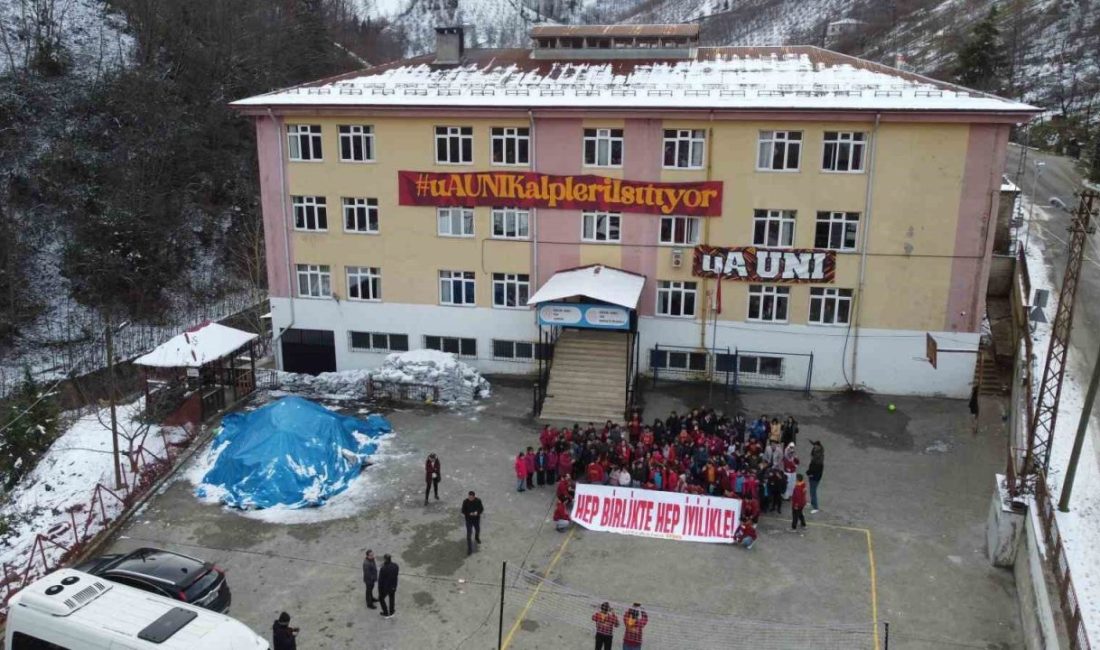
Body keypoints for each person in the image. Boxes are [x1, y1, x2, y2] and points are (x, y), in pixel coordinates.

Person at [462, 490, 484, 555]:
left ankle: (476, 537)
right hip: (468, 520)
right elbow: (463, 510)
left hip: (476, 519)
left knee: (477, 530)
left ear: (474, 497)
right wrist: (469, 513)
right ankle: (469, 549)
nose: (470, 498)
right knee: (469, 534)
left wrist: (477, 513)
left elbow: (481, 509)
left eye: (471, 497)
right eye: (469, 497)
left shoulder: (478, 501)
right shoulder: (465, 501)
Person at [377, 554, 399, 618]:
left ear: (385, 559)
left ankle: (386, 613)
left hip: (385, 588)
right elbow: (396, 574)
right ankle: (391, 612)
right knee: (392, 598)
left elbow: (380, 581)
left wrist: (379, 590)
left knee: (381, 598)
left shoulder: (383, 569)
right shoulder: (395, 565)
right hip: (393, 586)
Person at [806, 440, 824, 513]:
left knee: (813, 491)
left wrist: (809, 473)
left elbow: (814, 468)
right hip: (814, 476)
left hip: (815, 477)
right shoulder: (818, 454)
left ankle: (816, 507)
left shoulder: (817, 460)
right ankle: (812, 503)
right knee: (812, 490)